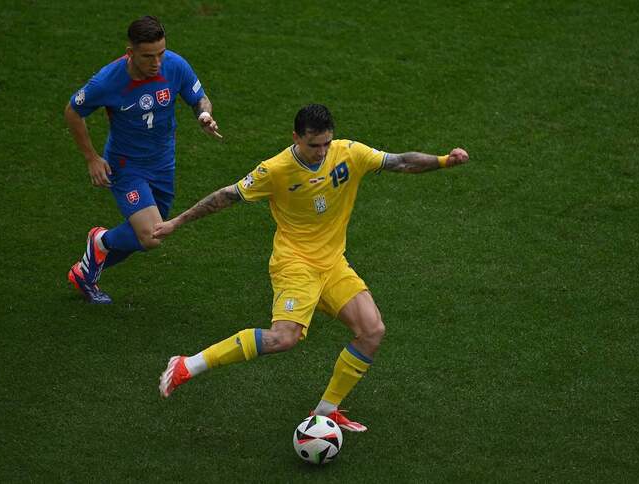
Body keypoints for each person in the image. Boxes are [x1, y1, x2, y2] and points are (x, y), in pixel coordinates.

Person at [153, 104, 468, 431]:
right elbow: (227, 196)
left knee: (372, 331)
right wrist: (178, 221)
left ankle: (326, 410)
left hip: (332, 264)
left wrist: (444, 160)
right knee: (283, 338)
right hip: (295, 264)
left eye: (325, 144)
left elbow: (400, 161)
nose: (321, 152)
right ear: (296, 138)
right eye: (313, 145)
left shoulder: (349, 153)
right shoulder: (275, 170)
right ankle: (187, 365)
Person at [65, 15, 222, 304]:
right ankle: (100, 241)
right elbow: (73, 111)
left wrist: (204, 115)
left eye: (161, 53)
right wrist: (92, 158)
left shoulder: (175, 65)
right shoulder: (107, 81)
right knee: (151, 235)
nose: (157, 62)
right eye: (148, 56)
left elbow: (199, 97)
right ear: (130, 53)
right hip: (126, 167)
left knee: (151, 232)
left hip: (163, 164)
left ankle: (86, 270)